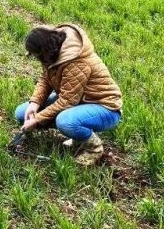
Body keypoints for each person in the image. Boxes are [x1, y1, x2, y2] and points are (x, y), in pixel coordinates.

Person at [15, 24, 123, 166]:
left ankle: (94, 149)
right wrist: (34, 103)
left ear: (43, 50)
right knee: (22, 113)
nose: (35, 58)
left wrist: (38, 119)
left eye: (36, 54)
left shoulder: (76, 61)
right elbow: (45, 79)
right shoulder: (52, 54)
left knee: (65, 121)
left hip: (105, 107)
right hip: (79, 101)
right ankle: (77, 135)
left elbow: (67, 101)